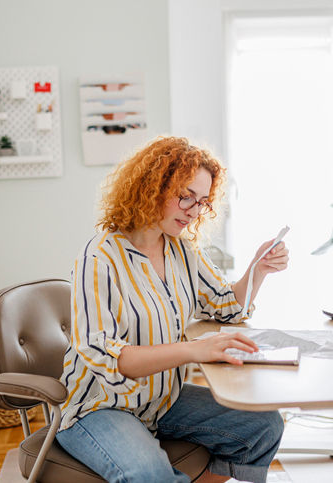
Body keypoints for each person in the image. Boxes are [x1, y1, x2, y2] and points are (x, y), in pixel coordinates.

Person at [56, 136, 289, 483]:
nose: (194, 211)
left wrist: (258, 269)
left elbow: (226, 306)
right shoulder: (99, 257)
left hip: (160, 401)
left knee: (263, 424)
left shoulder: (181, 250)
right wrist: (193, 350)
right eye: (186, 197)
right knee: (151, 476)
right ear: (152, 187)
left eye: (202, 202)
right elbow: (107, 356)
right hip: (100, 407)